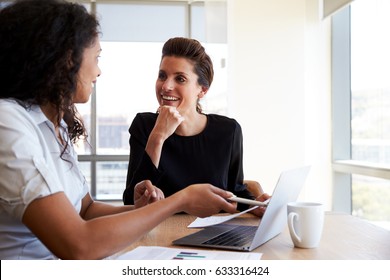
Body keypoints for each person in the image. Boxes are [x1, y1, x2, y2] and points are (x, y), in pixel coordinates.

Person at [0, 0, 237, 260]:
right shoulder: (8, 121)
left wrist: (142, 209)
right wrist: (179, 201)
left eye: (180, 78)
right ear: (66, 59)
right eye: (96, 57)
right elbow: (78, 245)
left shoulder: (55, 127)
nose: (98, 71)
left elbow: (85, 209)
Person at [123, 37, 270, 215]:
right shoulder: (144, 126)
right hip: (162, 235)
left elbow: (234, 190)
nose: (166, 86)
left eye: (180, 79)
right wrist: (158, 136)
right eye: (162, 76)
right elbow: (131, 202)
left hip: (214, 235)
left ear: (202, 90)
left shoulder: (228, 131)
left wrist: (254, 205)